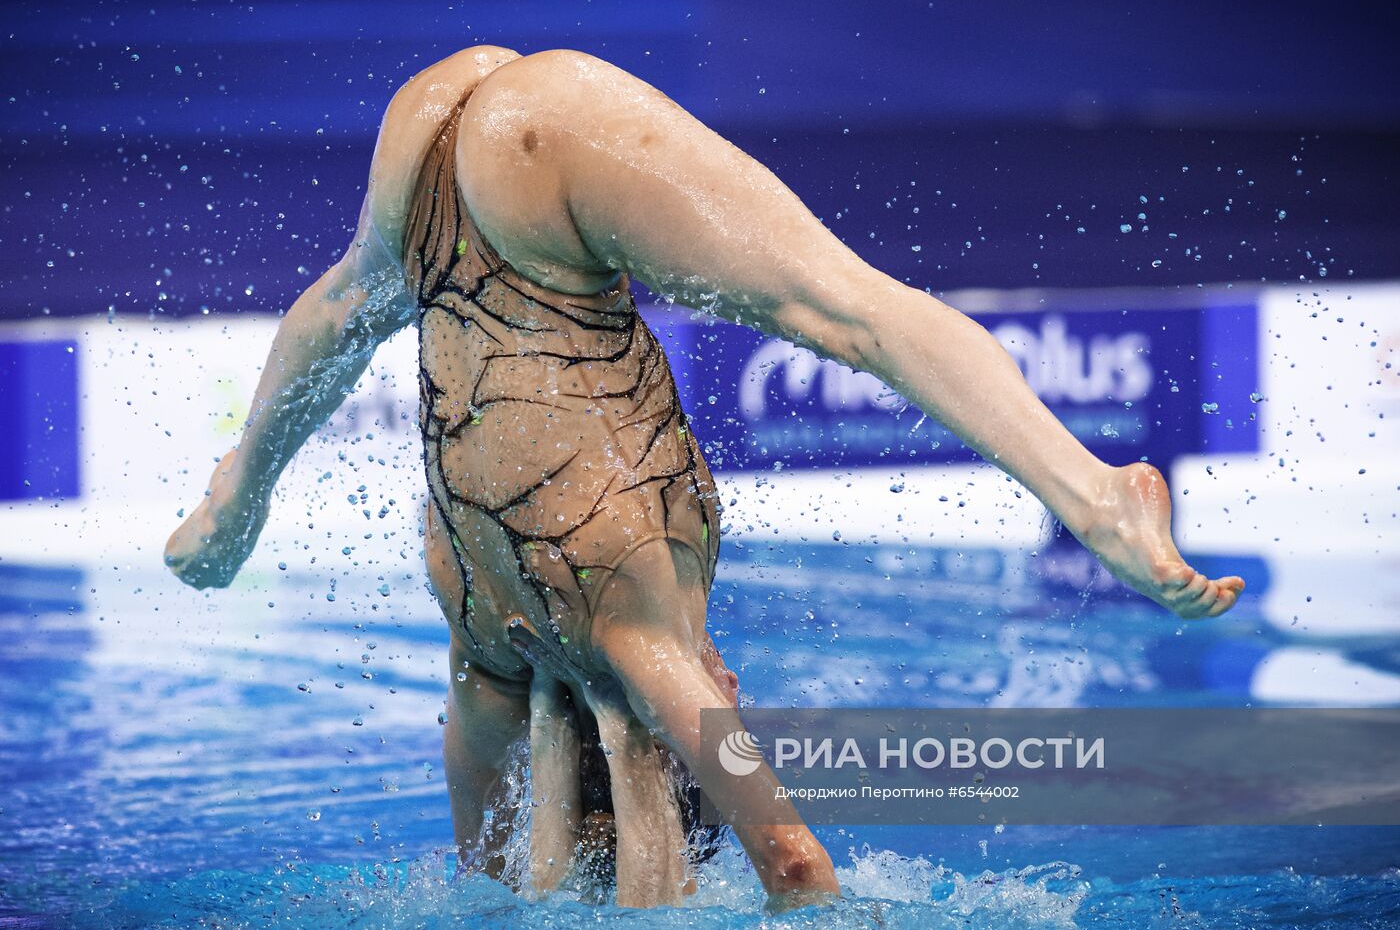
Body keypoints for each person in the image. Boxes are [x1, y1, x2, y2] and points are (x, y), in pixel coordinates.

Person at [164, 45, 1245, 910]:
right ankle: (231, 496)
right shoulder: (480, 643)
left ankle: (1097, 498)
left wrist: (759, 845)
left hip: (537, 152)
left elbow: (793, 861)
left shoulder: (621, 640)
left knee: (837, 308)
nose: (729, 691)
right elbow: (479, 865)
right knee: (362, 289)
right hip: (453, 155)